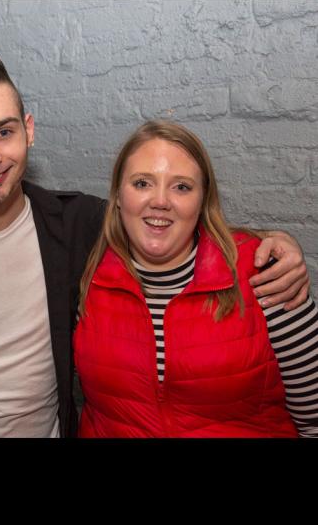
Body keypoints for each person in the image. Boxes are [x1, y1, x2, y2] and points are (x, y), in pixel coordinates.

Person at [0, 38, 309, 438]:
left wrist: (273, 242)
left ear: (29, 130)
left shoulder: (75, 225)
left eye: (4, 132)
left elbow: (161, 218)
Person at [74, 120, 318, 437]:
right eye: (142, 183)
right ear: (118, 195)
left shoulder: (265, 275)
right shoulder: (87, 275)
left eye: (182, 187)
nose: (160, 201)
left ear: (203, 200)